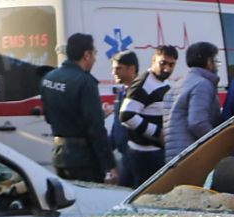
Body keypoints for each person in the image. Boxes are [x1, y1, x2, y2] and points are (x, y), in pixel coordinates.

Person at [40, 33, 117, 183]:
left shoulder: (49, 77)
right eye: (94, 53)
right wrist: (110, 165)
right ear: (86, 55)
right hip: (83, 159)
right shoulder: (85, 82)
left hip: (59, 154)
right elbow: (95, 128)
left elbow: (49, 116)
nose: (94, 59)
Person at [119, 45, 177, 186]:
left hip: (154, 152)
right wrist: (158, 132)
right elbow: (126, 115)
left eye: (171, 64)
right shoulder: (144, 83)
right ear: (153, 60)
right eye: (162, 63)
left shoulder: (162, 81)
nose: (167, 69)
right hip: (144, 155)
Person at [164, 42, 221, 161]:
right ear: (209, 62)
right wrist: (216, 143)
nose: (216, 65)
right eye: (215, 61)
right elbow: (197, 123)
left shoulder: (176, 86)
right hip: (192, 156)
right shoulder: (202, 84)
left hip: (174, 156)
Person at [109, 50, 138, 187]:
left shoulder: (141, 92)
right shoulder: (122, 93)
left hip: (137, 156)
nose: (114, 72)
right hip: (124, 157)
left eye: (118, 68)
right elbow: (117, 126)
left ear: (131, 69)